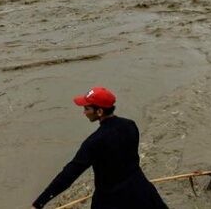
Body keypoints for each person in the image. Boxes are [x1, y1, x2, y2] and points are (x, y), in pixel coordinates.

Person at [32, 87, 168, 209]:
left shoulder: (95, 141)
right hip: (142, 192)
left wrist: (39, 203)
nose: (84, 112)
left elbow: (69, 174)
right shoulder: (130, 125)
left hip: (111, 201)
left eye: (87, 108)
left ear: (99, 111)